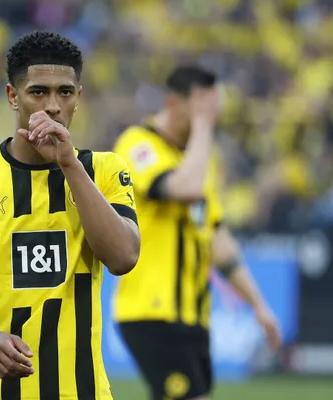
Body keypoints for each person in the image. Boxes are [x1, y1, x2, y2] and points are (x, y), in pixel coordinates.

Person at [0, 31, 141, 400]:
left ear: (78, 97)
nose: (53, 106)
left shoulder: (103, 170)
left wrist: (69, 165)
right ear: (12, 96)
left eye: (65, 92)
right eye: (38, 92)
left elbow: (123, 258)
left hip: (80, 392)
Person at [111, 66, 282, 400]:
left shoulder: (202, 157)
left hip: (192, 314)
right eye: (205, 110)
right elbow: (184, 188)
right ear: (174, 103)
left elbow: (215, 237)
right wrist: (203, 126)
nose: (212, 120)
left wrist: (258, 304)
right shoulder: (138, 144)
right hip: (151, 310)